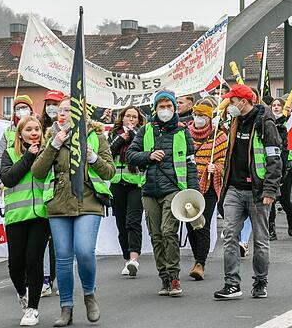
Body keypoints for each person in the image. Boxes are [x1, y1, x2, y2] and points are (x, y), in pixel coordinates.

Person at [31, 97, 115, 326]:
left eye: (68, 110)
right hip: (58, 203)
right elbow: (37, 171)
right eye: (60, 110)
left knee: (85, 251)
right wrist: (54, 145)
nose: (62, 114)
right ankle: (66, 308)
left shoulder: (95, 137)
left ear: (80, 113)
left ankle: (89, 295)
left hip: (88, 200)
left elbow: (109, 172)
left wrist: (93, 157)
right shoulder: (51, 137)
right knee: (64, 257)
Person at [126, 91, 197, 297]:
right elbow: (131, 154)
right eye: (161, 106)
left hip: (173, 190)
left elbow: (191, 165)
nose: (165, 110)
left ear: (175, 108)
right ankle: (164, 278)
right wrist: (148, 156)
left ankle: (174, 277)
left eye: (169, 106)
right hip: (149, 190)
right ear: (155, 108)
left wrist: (193, 194)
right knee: (156, 236)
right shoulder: (145, 130)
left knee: (168, 232)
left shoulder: (183, 132)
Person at [214, 84, 282, 300]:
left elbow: (274, 158)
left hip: (258, 191)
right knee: (229, 235)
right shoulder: (235, 120)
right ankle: (232, 284)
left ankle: (260, 281)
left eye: (232, 101)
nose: (229, 104)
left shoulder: (265, 122)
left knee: (260, 240)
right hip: (233, 188)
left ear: (243, 102)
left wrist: (270, 189)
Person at [0, 116, 52, 326]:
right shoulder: (9, 153)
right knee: (15, 265)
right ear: (20, 134)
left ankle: (33, 308)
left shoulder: (48, 153)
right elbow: (8, 178)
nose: (34, 133)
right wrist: (28, 157)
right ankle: (22, 292)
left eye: (37, 129)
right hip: (16, 217)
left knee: (33, 260)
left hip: (40, 215)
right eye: (29, 129)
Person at [184, 101, 228, 280]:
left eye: (202, 116)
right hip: (188, 185)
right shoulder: (185, 133)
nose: (198, 119)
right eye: (196, 115)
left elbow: (225, 162)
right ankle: (197, 257)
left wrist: (216, 167)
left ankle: (200, 263)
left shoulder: (219, 136)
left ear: (209, 117)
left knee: (203, 224)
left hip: (208, 187)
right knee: (190, 225)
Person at [108, 106, 147, 277]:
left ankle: (134, 258)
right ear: (122, 118)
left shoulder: (142, 134)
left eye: (134, 117)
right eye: (128, 116)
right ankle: (127, 258)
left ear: (139, 120)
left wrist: (133, 135)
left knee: (133, 221)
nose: (131, 119)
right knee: (121, 224)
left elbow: (144, 151)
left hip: (135, 183)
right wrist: (120, 139)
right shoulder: (113, 133)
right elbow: (107, 153)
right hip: (117, 183)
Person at [267, 98, 292, 240]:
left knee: (284, 199)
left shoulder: (289, 121)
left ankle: (291, 220)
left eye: (279, 105)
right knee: (271, 198)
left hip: (287, 164)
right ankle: (271, 229)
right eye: (274, 105)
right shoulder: (268, 122)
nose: (276, 107)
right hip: (272, 163)